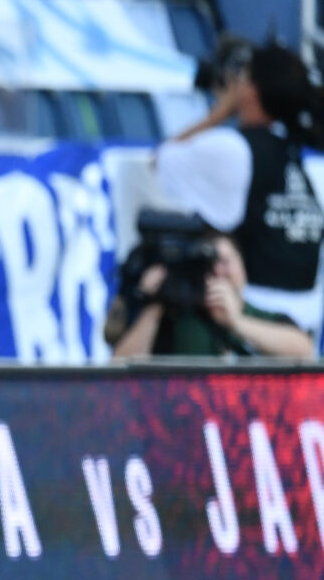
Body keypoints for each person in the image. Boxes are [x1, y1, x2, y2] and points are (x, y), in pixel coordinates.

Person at [156, 43, 324, 336]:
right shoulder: (300, 152)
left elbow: (162, 160)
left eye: (241, 77)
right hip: (306, 319)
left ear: (251, 90)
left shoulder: (234, 149)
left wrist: (219, 113)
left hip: (251, 311)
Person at [109, 231, 313, 359]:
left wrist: (236, 323)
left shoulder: (259, 316)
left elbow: (304, 351)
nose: (218, 272)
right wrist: (157, 302)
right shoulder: (174, 319)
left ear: (243, 266)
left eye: (225, 262)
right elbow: (120, 368)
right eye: (208, 265)